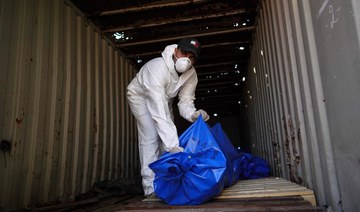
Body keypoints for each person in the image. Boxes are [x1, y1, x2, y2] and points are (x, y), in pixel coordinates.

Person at [126, 37, 210, 197]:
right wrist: (172, 145)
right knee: (151, 136)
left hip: (164, 98)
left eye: (192, 57)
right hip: (140, 96)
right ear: (175, 51)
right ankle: (150, 189)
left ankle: (166, 183)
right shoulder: (157, 67)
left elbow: (185, 102)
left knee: (168, 141)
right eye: (184, 53)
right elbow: (158, 109)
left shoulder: (191, 74)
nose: (187, 59)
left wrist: (193, 115)